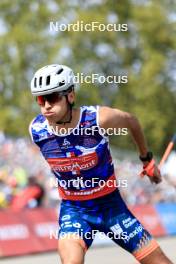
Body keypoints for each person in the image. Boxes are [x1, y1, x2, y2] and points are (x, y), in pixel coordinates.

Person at [29, 64, 173, 264]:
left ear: (70, 95)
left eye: (52, 98)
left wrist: (146, 160)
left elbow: (132, 121)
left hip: (112, 208)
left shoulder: (98, 119)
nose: (46, 106)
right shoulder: (37, 130)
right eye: (40, 99)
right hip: (75, 210)